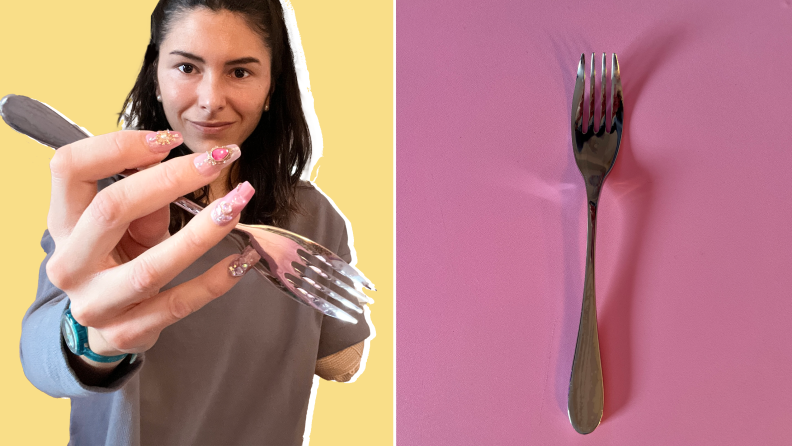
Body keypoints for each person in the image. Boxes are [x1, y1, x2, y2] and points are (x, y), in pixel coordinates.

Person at [19, 0, 372, 444]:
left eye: (240, 72)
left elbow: (343, 362)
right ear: (157, 77)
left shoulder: (313, 217)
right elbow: (39, 356)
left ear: (270, 89)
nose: (210, 100)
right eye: (187, 68)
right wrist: (87, 337)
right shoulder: (105, 202)